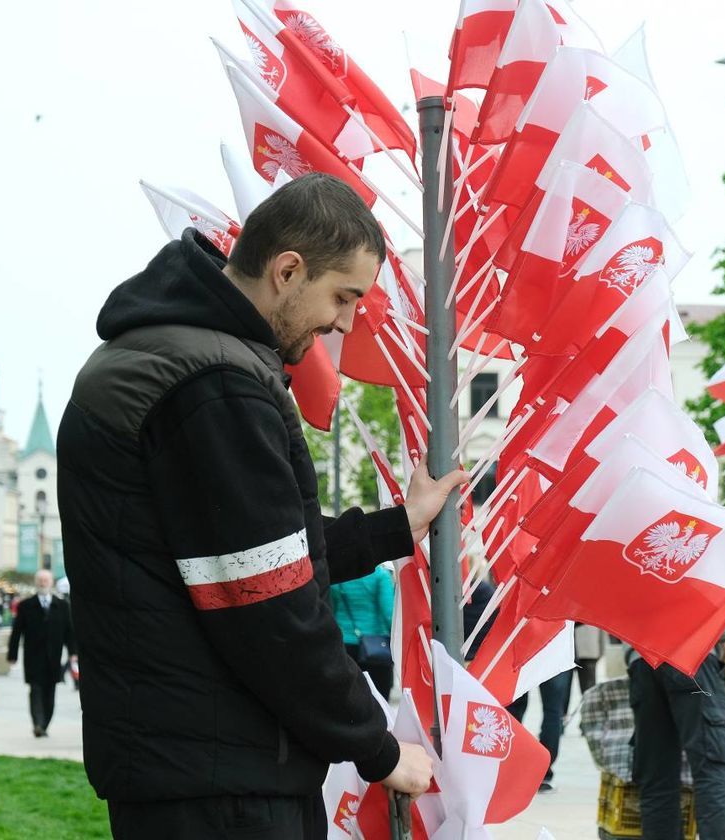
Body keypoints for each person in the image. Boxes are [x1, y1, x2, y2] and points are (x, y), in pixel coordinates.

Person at [56, 174, 462, 838]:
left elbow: (255, 552)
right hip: (221, 777)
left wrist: (397, 526)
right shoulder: (215, 386)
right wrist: (379, 749)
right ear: (287, 270)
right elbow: (270, 609)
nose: (345, 322)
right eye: (343, 296)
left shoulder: (177, 354)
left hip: (190, 763)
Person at [627, 620, 725, 840]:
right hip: (691, 651)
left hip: (643, 655)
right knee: (712, 768)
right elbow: (697, 584)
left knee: (657, 778)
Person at [6, 569, 76, 737]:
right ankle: (37, 723)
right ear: (36, 583)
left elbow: (69, 632)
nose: (43, 583)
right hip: (33, 657)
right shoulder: (25, 606)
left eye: (46, 580)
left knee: (50, 692)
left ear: (51, 582)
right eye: (40, 580)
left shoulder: (62, 606)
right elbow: (17, 632)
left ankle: (45, 723)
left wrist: (73, 652)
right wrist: (12, 654)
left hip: (53, 657)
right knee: (35, 691)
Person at [330, 566, 395, 699]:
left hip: (344, 644)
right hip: (376, 647)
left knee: (349, 699)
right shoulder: (380, 575)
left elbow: (332, 609)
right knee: (379, 699)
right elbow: (389, 614)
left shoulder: (339, 575)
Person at [508, 670, 574, 792]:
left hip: (521, 656)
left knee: (515, 705)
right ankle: (543, 773)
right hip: (554, 654)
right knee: (553, 711)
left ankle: (511, 768)